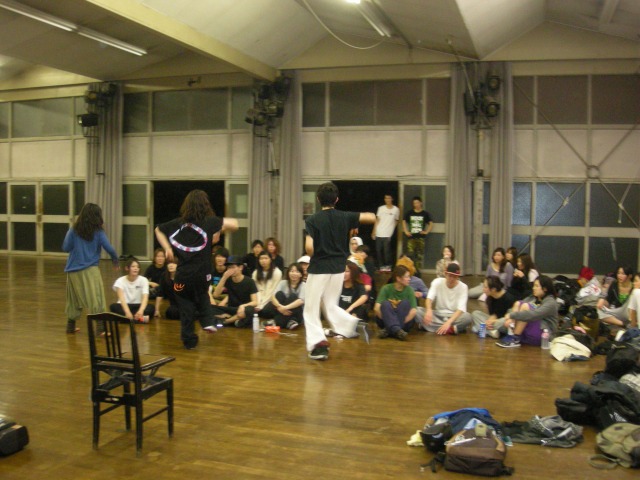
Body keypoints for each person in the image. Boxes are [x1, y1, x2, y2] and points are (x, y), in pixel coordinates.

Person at [155, 189, 238, 350]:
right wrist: (218, 230)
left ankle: (189, 341)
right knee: (202, 294)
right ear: (205, 205)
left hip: (182, 278)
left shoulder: (178, 223)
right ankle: (207, 322)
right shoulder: (210, 222)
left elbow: (158, 230)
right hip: (202, 275)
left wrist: (167, 248)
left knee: (184, 303)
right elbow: (234, 224)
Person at [303, 182, 376, 361]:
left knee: (311, 308)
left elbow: (309, 248)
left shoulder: (312, 220)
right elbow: (371, 217)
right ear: (336, 199)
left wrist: (317, 251)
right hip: (338, 268)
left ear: (318, 199)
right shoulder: (346, 216)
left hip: (319, 268)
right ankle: (354, 325)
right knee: (330, 305)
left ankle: (319, 346)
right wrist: (354, 225)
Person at [63, 202, 119, 334]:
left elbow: (66, 247)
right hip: (90, 270)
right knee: (96, 298)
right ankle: (100, 329)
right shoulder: (98, 232)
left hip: (72, 270)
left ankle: (70, 326)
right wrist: (115, 260)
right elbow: (109, 248)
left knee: (73, 299)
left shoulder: (73, 230)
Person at [496, 275, 558, 348]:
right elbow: (517, 306)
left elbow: (535, 315)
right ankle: (512, 335)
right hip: (532, 330)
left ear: (545, 289)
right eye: (534, 285)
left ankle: (515, 338)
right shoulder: (533, 298)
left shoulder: (550, 302)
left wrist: (512, 315)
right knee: (518, 303)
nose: (533, 288)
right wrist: (510, 318)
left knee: (525, 306)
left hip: (545, 335)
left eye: (536, 286)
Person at [418, 263, 472, 335]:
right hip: (438, 314)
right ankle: (451, 329)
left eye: (455, 277)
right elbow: (429, 299)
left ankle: (429, 326)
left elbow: (460, 309)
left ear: (458, 277)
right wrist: (428, 310)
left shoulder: (463, 287)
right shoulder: (437, 282)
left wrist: (448, 322)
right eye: (450, 276)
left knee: (467, 317)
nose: (452, 279)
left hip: (453, 316)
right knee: (417, 310)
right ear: (445, 274)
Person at [211, 255, 258, 327]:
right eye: (229, 267)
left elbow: (255, 302)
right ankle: (235, 321)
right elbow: (216, 295)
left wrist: (243, 306)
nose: (230, 270)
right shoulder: (228, 279)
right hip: (231, 309)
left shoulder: (250, 281)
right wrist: (224, 277)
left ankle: (226, 321)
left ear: (240, 267)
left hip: (243, 309)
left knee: (250, 310)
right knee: (209, 308)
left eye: (233, 267)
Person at [374, 265, 418, 340]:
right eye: (406, 277)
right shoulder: (386, 288)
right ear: (398, 278)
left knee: (405, 303)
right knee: (385, 304)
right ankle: (397, 330)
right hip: (385, 320)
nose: (409, 279)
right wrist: (388, 319)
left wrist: (393, 323)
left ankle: (389, 330)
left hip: (404, 321)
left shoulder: (410, 290)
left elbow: (414, 310)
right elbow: (376, 308)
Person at [269, 262, 306, 330]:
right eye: (292, 271)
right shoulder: (282, 283)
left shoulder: (304, 285)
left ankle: (277, 322)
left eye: (297, 271)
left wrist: (284, 308)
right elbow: (272, 297)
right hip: (282, 311)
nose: (294, 274)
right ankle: (288, 323)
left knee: (293, 296)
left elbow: (301, 301)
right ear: (288, 273)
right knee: (279, 294)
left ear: (301, 274)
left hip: (297, 314)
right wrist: (279, 307)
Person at [402, 196, 433, 270]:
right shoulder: (410, 213)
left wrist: (426, 232)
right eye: (414, 203)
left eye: (417, 203)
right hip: (411, 237)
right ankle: (410, 270)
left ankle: (417, 271)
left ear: (420, 203)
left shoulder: (425, 213)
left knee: (419, 255)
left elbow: (431, 223)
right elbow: (404, 221)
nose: (416, 204)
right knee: (410, 254)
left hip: (421, 237)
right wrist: (406, 231)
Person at [372, 194, 400, 271]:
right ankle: (381, 266)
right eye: (386, 198)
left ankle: (388, 266)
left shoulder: (396, 209)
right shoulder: (381, 208)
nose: (387, 200)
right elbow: (377, 220)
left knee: (386, 251)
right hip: (379, 232)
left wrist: (392, 229)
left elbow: (396, 220)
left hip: (387, 233)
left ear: (392, 199)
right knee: (378, 250)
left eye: (389, 198)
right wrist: (374, 231)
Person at [252, 250, 283, 316]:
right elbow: (255, 290)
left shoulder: (277, 272)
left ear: (270, 259)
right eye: (261, 259)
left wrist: (261, 305)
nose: (263, 261)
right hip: (258, 299)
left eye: (266, 258)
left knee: (266, 311)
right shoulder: (255, 273)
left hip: (271, 299)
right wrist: (258, 304)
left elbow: (273, 291)